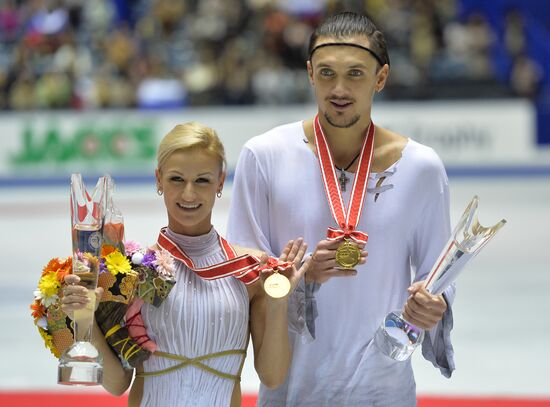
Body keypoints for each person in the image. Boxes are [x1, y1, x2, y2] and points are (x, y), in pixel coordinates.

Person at [227, 11, 455, 406]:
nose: (339, 88)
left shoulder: (421, 168)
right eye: (328, 73)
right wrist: (298, 276)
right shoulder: (264, 156)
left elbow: (439, 275)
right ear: (310, 73)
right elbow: (240, 277)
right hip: (291, 389)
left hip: (383, 389)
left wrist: (433, 306)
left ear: (380, 79)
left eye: (355, 74)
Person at [61, 121, 310, 406]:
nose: (189, 194)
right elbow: (118, 383)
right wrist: (85, 319)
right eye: (177, 179)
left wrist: (278, 302)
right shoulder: (132, 271)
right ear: (158, 180)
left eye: (202, 180)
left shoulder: (249, 269)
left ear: (220, 181)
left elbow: (273, 376)